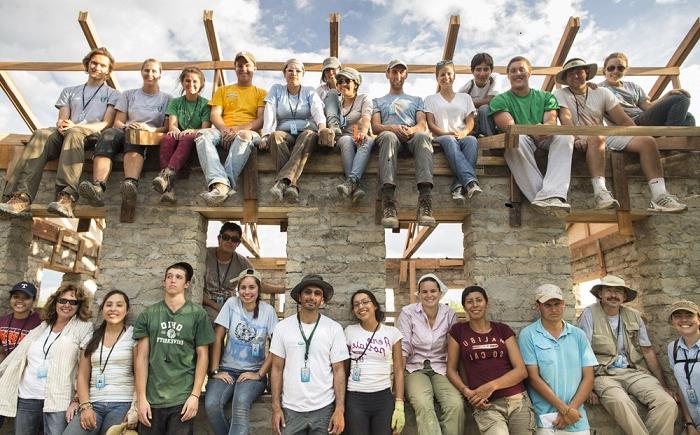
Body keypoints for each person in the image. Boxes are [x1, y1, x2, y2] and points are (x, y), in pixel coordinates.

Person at [554, 57, 687, 213]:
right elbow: (566, 118)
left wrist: (637, 135)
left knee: (648, 141)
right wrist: (575, 138)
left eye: (579, 71)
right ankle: (600, 193)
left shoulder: (602, 92)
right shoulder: (560, 94)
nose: (575, 76)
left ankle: (660, 196)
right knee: (597, 136)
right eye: (570, 73)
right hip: (582, 135)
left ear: (587, 73)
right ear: (565, 78)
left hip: (602, 134)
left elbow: (622, 119)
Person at [0, 47, 119, 218]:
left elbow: (106, 123)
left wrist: (77, 128)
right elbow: (62, 117)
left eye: (102, 65)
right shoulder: (70, 91)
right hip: (67, 132)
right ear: (87, 64)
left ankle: (66, 197)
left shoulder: (113, 94)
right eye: (94, 63)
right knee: (41, 133)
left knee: (75, 133)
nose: (97, 67)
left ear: (108, 71)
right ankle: (21, 197)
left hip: (91, 135)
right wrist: (63, 124)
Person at [578, 274, 677, 435]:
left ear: (624, 297)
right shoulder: (589, 314)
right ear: (600, 294)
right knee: (621, 402)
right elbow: (583, 351)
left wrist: (663, 384)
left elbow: (647, 350)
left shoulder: (634, 315)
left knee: (667, 402)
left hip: (634, 371)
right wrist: (587, 388)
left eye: (618, 291)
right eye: (608, 290)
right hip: (603, 374)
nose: (613, 295)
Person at [133, 262, 215, 435]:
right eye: (169, 276)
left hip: (182, 397)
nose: (172, 280)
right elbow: (141, 358)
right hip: (152, 398)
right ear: (164, 282)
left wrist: (195, 395)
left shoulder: (197, 314)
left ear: (186, 284)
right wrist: (141, 399)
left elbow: (203, 356)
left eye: (178, 277)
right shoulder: (149, 314)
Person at [0, 283, 93, 435]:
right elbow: (15, 358)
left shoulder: (83, 328)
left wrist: (77, 400)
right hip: (27, 397)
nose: (66, 305)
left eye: (73, 302)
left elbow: (85, 370)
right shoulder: (42, 327)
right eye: (62, 300)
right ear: (55, 302)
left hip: (57, 400)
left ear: (79, 305)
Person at [79, 58, 171, 207]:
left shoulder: (167, 99)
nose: (150, 74)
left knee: (134, 136)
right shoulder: (128, 95)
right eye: (146, 70)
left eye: (154, 71)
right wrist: (127, 126)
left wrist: (149, 129)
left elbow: (166, 127)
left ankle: (131, 183)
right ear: (141, 72)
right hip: (126, 129)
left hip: (150, 135)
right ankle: (98, 186)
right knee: (108, 134)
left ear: (160, 74)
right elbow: (118, 122)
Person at [490, 56, 574, 218]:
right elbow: (509, 126)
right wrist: (533, 130)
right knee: (516, 140)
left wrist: (545, 129)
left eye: (521, 69)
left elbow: (551, 121)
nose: (517, 73)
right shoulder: (500, 100)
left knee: (566, 137)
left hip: (543, 136)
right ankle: (544, 197)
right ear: (508, 76)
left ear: (529, 73)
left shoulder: (546, 97)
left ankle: (553, 193)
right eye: (513, 71)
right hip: (522, 138)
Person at [446, 285, 533, 435]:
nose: (474, 305)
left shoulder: (502, 330)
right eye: (469, 302)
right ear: (464, 307)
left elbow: (521, 371)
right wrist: (467, 392)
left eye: (479, 300)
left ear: (487, 303)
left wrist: (491, 386)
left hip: (517, 399)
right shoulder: (458, 331)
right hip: (486, 405)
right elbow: (451, 369)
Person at [270, 274, 349, 435]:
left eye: (317, 293)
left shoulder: (333, 329)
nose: (312, 297)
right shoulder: (282, 327)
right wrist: (276, 407)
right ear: (299, 296)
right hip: (291, 409)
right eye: (307, 292)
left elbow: (339, 370)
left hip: (324, 407)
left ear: (322, 300)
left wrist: (339, 409)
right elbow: (276, 369)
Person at [205, 268, 278, 435]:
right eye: (243, 287)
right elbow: (218, 336)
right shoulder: (231, 304)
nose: (247, 292)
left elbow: (276, 347)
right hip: (228, 370)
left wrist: (260, 374)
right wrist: (215, 370)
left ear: (259, 289)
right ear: (238, 289)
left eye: (251, 287)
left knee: (240, 403)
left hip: (253, 372)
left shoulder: (268, 311)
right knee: (211, 405)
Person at [518, 284, 597, 434]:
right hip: (546, 419)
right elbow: (533, 378)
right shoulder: (528, 335)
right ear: (538, 306)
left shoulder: (578, 335)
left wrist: (570, 411)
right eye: (547, 305)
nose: (553, 309)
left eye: (557, 304)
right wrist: (564, 410)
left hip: (576, 418)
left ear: (564, 304)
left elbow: (588, 378)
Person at [194, 51, 267, 206]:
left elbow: (260, 120)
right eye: (239, 65)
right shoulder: (223, 90)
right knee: (202, 135)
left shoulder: (261, 93)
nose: (243, 69)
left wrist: (238, 130)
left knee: (245, 136)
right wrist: (224, 129)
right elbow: (215, 114)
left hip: (249, 131)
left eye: (247, 65)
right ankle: (221, 183)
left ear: (255, 68)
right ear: (235, 68)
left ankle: (222, 185)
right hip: (224, 130)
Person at [372, 59, 436, 229]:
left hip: (411, 138)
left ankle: (425, 201)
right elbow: (375, 126)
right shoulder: (378, 101)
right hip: (390, 140)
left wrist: (412, 130)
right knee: (388, 136)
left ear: (406, 75)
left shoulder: (416, 100)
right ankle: (388, 202)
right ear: (387, 74)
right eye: (394, 71)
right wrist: (392, 127)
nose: (398, 75)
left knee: (423, 137)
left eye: (401, 72)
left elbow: (422, 124)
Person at [63, 290, 138, 435]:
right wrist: (85, 406)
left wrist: (135, 408)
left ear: (127, 310)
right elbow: (82, 376)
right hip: (93, 403)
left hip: (122, 403)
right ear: (102, 309)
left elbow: (141, 375)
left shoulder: (133, 336)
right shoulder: (91, 337)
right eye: (108, 305)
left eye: (119, 305)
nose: (113, 309)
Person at [398, 273, 464, 435]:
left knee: (455, 404)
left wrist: (456, 375)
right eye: (424, 292)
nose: (429, 295)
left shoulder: (449, 314)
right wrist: (398, 386)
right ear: (418, 294)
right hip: (414, 368)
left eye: (433, 291)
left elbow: (452, 346)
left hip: (441, 367)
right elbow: (403, 347)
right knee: (423, 404)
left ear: (440, 293)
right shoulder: (408, 313)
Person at [261, 59, 332, 203]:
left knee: (308, 135)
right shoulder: (276, 89)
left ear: (303, 74)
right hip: (285, 132)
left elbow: (317, 110)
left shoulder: (309, 91)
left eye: (298, 71)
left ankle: (282, 182)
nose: (294, 73)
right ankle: (291, 184)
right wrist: (266, 135)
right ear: (284, 73)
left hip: (306, 131)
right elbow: (269, 112)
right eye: (290, 70)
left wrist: (322, 127)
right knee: (275, 137)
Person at [344, 289, 404, 435]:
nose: (361, 306)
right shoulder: (349, 331)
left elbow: (399, 370)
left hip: (383, 398)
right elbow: (344, 369)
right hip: (355, 398)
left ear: (375, 306)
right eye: (356, 304)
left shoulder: (392, 333)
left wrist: (399, 403)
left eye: (365, 302)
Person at [425, 59, 482, 205]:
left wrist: (464, 133)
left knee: (472, 141)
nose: (446, 77)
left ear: (454, 76)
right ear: (437, 78)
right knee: (449, 140)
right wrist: (444, 133)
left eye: (449, 74)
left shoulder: (465, 98)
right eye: (442, 75)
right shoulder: (430, 99)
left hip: (461, 136)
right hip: (440, 137)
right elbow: (430, 124)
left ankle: (457, 187)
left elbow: (470, 122)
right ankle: (470, 182)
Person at [152, 67, 211, 204]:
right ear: (182, 83)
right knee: (168, 137)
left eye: (195, 81)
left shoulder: (205, 104)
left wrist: (191, 131)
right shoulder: (176, 102)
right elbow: (172, 124)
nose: (191, 84)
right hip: (178, 135)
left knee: (187, 137)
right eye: (187, 81)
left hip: (194, 136)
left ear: (201, 83)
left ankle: (166, 175)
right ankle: (168, 189)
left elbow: (205, 128)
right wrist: (175, 130)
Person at [599, 52, 695, 127]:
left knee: (688, 117)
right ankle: (670, 139)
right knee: (681, 98)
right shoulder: (599, 89)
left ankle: (680, 147)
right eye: (611, 68)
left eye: (620, 68)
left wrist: (668, 94)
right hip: (629, 123)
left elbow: (648, 107)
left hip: (644, 118)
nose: (616, 71)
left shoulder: (633, 86)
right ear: (604, 70)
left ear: (626, 70)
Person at [333, 67, 374, 203]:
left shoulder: (363, 98)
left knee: (367, 140)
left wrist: (362, 132)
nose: (343, 84)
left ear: (355, 84)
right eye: (340, 81)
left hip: (358, 133)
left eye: (347, 81)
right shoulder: (335, 104)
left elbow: (365, 117)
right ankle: (355, 183)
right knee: (345, 139)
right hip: (341, 138)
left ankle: (352, 182)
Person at [667, 300, 700, 435]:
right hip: (694, 424)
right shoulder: (672, 348)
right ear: (672, 322)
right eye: (677, 316)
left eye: (689, 315)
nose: (683, 320)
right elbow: (681, 388)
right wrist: (690, 424)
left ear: (698, 319)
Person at [458, 52, 498, 137]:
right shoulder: (466, 88)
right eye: (478, 69)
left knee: (484, 108)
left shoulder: (494, 78)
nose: (482, 74)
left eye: (486, 69)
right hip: (473, 121)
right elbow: (456, 105)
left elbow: (490, 100)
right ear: (472, 71)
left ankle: (490, 139)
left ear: (491, 70)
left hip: (489, 118)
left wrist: (468, 102)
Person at [0, 281, 42, 361]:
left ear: (34, 301)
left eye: (26, 297)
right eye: (16, 297)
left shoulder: (40, 323)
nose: (20, 300)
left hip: (27, 371)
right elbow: (3, 351)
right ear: (11, 298)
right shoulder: (2, 321)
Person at [316, 57, 343, 136]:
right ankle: (333, 127)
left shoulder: (347, 88)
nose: (331, 72)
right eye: (327, 70)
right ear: (324, 73)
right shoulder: (320, 90)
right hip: (327, 125)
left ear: (340, 70)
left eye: (333, 69)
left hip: (346, 124)